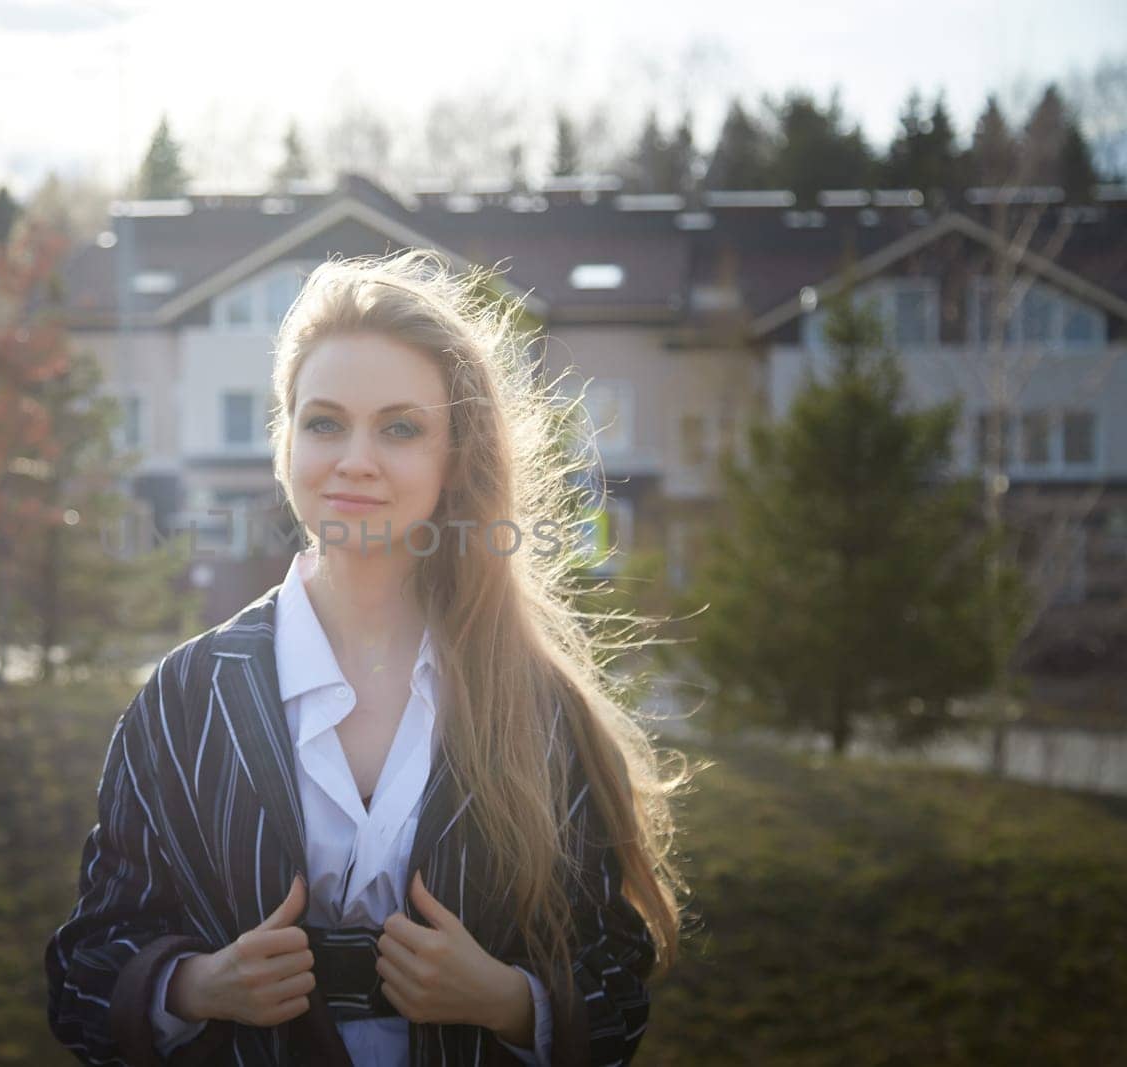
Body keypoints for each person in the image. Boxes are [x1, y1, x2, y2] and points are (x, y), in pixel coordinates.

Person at [45, 250, 690, 1066]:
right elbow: (81, 975)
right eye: (324, 422)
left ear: (454, 458)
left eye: (400, 427)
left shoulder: (534, 703)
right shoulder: (185, 696)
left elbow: (619, 986)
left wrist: (504, 998)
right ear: (285, 442)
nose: (355, 458)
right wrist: (198, 984)